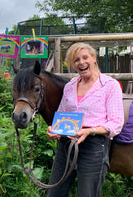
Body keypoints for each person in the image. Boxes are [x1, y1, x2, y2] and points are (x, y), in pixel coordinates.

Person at [46, 42, 124, 197]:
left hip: (93, 145)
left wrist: (90, 131)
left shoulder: (109, 85)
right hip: (66, 144)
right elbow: (62, 114)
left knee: (87, 194)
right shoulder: (70, 85)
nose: (81, 62)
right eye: (76, 60)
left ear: (94, 58)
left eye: (85, 57)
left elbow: (116, 123)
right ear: (73, 65)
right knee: (54, 193)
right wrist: (53, 129)